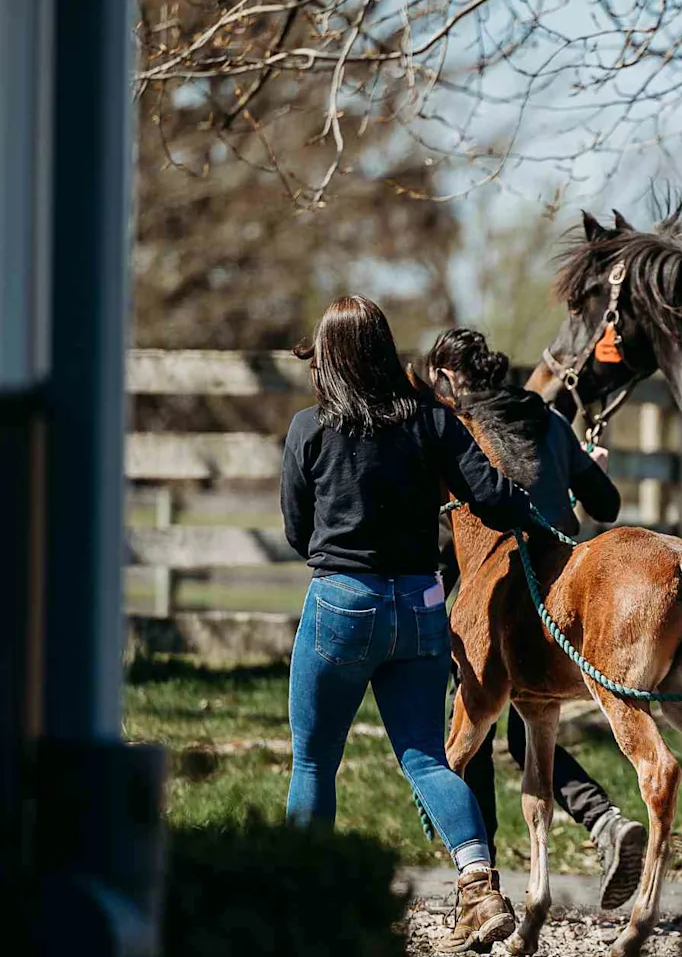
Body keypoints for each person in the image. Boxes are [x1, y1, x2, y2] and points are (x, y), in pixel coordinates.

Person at [280, 296, 532, 953]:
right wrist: (533, 511)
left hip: (341, 602)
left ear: (327, 360)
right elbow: (496, 500)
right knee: (424, 757)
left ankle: (302, 907)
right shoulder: (433, 422)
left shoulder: (309, 429)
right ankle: (481, 889)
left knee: (313, 760)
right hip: (421, 605)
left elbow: (295, 532)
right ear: (386, 352)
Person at [425, 327, 648, 911]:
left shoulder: (460, 432)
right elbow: (606, 506)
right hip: (567, 588)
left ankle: (480, 875)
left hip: (495, 589)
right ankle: (604, 821)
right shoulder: (547, 420)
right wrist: (581, 465)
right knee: (530, 726)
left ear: (447, 380)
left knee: (474, 731)